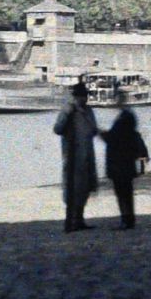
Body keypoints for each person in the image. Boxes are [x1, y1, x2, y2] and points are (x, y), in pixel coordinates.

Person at [53, 81, 101, 231]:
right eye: (81, 97)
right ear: (75, 97)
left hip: (87, 154)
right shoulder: (67, 111)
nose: (84, 100)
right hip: (73, 156)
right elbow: (57, 129)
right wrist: (68, 114)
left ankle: (79, 219)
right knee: (72, 189)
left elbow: (94, 130)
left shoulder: (88, 111)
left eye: (85, 97)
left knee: (85, 188)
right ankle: (70, 221)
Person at [101, 107, 151, 229]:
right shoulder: (129, 121)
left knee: (121, 193)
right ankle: (129, 219)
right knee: (127, 193)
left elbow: (111, 138)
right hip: (127, 163)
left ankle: (125, 219)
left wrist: (99, 132)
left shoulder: (122, 122)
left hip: (118, 163)